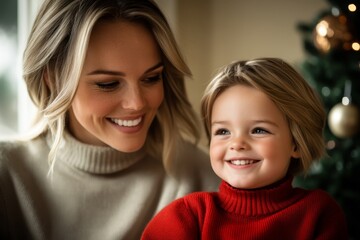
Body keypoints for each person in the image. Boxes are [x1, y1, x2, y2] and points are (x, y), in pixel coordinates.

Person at [0, 0, 220, 239]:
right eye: (108, 84)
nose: (137, 103)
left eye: (151, 78)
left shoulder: (205, 177)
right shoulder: (7, 176)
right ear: (52, 78)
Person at [141, 58, 349, 240]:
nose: (237, 143)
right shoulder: (185, 217)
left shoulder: (319, 213)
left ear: (295, 142)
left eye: (258, 130)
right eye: (223, 132)